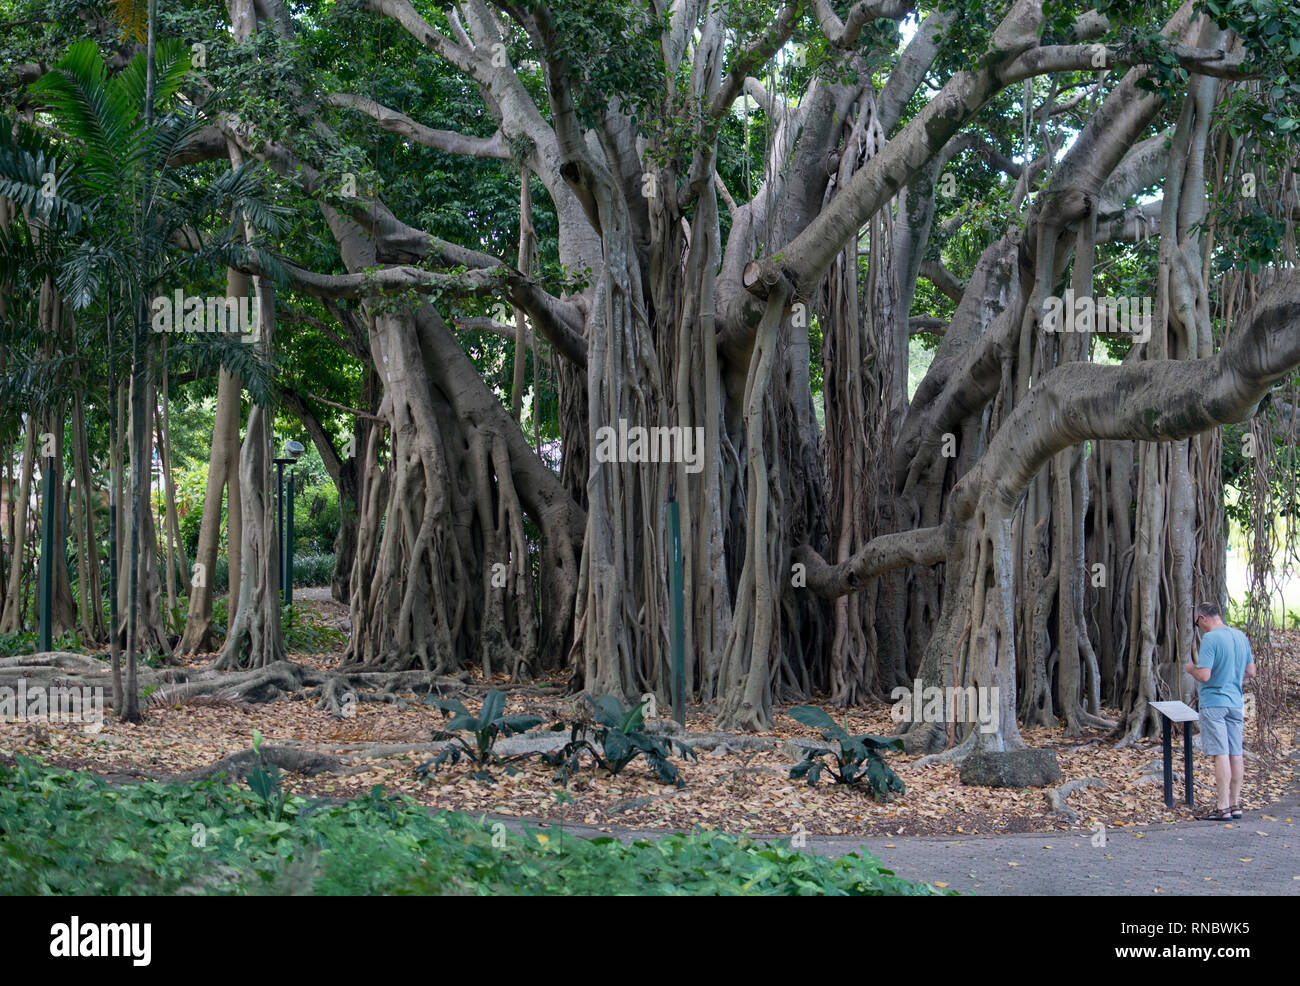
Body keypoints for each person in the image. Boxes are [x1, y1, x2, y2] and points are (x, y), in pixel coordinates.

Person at [1184, 603, 1256, 822]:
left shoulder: (1211, 639)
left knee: (1220, 753)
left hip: (1214, 702)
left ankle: (1222, 807)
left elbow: (1204, 675)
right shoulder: (1240, 636)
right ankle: (1235, 805)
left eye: (1197, 623)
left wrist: (1190, 669)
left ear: (1203, 618)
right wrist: (1230, 675)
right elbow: (1251, 672)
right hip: (1236, 702)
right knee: (1236, 752)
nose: (1199, 628)